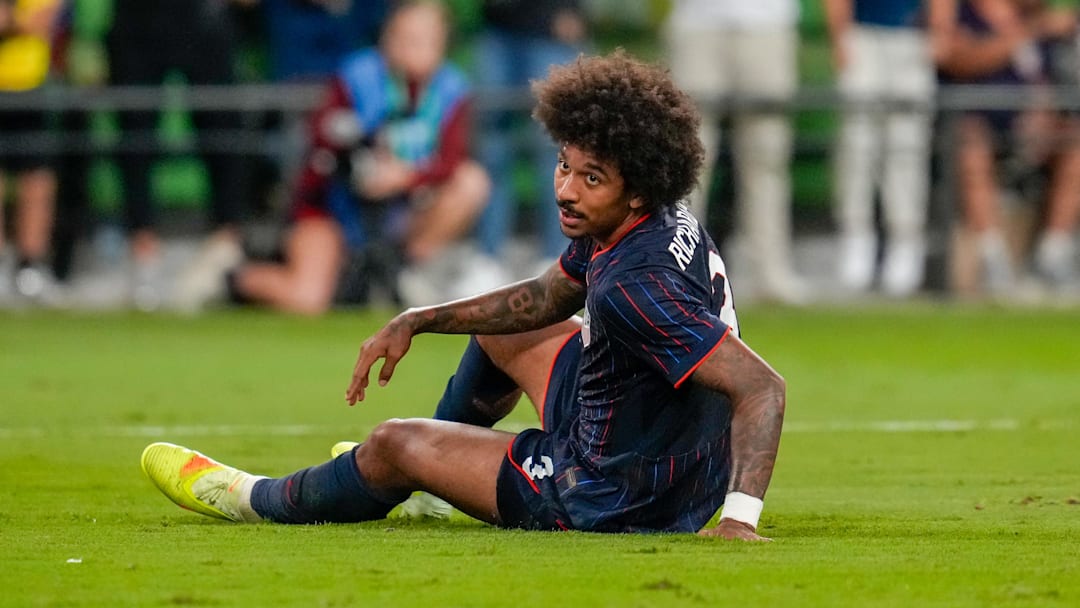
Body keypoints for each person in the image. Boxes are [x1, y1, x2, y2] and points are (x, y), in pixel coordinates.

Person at [141, 50, 787, 539]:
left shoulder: (631, 287)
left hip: (609, 491)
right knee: (504, 328)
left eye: (591, 179)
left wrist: (740, 521)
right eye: (564, 165)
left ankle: (253, 497)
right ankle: (435, 480)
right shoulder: (652, 217)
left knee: (394, 442)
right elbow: (540, 300)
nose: (566, 190)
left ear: (636, 186)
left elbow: (763, 388)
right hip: (659, 441)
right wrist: (419, 319)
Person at [180, 0, 490, 314]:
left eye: (424, 38)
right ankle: (230, 277)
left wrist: (404, 177)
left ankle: (407, 269)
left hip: (400, 208)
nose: (412, 47)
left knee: (471, 182)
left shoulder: (452, 88)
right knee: (307, 300)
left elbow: (451, 161)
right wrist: (359, 168)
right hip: (335, 206)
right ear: (387, 36)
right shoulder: (358, 77)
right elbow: (323, 150)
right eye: (405, 36)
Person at [106, 0, 250, 311]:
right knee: (135, 130)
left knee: (222, 125)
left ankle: (225, 252)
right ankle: (143, 256)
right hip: (138, 17)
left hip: (202, 13)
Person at [663, 0, 808, 304]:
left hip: (766, 24)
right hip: (698, 22)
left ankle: (768, 273)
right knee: (685, 158)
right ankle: (673, 268)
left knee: (766, 156)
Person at [938, 0, 1080, 294]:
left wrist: (1046, 115)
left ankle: (1053, 255)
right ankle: (994, 261)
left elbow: (1052, 81)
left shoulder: (1041, 22)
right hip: (983, 126)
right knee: (971, 144)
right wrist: (1028, 31)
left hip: (1034, 131)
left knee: (1075, 142)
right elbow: (959, 59)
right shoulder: (966, 13)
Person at [825, 0, 956, 297]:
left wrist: (941, 28)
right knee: (857, 147)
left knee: (907, 147)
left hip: (912, 36)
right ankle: (855, 237)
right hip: (862, 34)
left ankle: (906, 241)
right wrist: (840, 35)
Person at [471, 0, 589, 282]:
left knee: (559, 154)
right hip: (496, 27)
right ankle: (487, 261)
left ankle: (562, 262)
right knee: (493, 151)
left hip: (552, 28)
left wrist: (574, 11)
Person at [0, 0, 63, 304]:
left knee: (36, 177)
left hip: (31, 84)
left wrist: (11, 20)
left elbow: (41, 21)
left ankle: (30, 268)